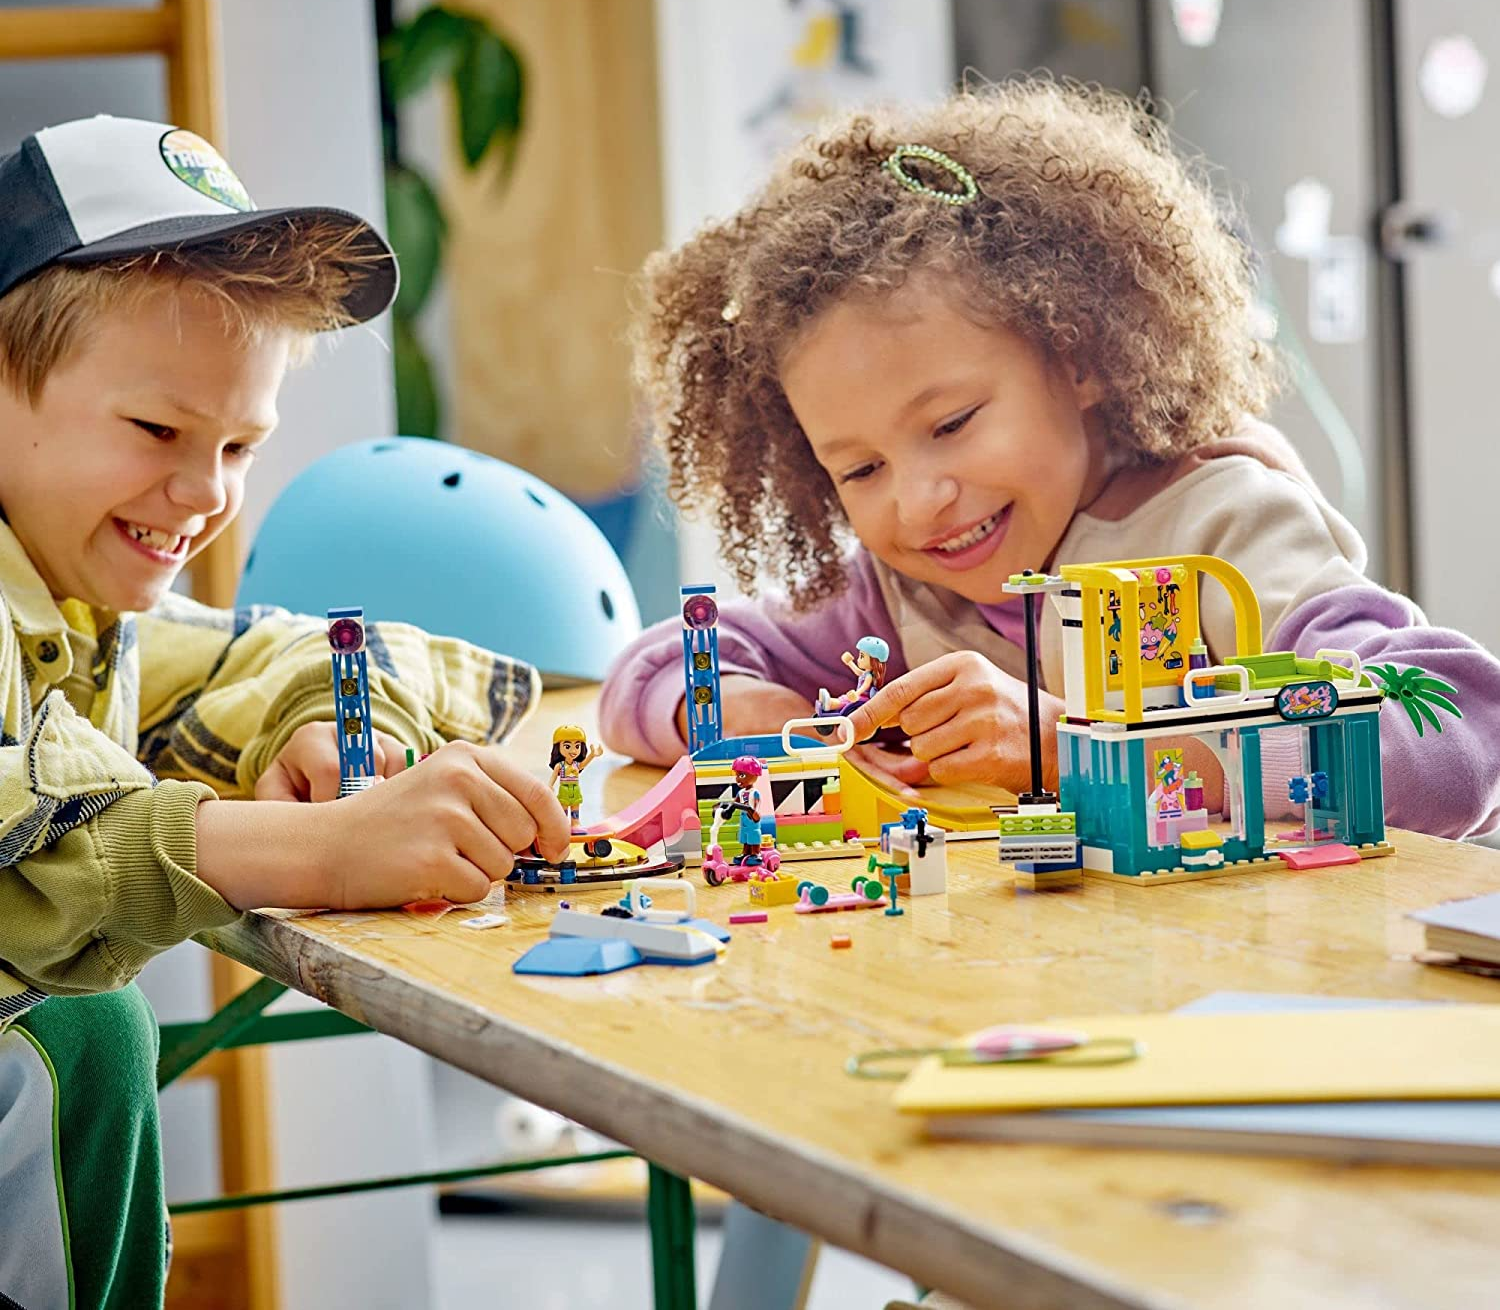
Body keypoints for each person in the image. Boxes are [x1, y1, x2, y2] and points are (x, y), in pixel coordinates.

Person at [600, 78, 1500, 840]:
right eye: (860, 470)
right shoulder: (898, 593)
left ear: (1077, 360)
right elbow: (654, 668)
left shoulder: (1227, 528)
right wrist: (762, 718)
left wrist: (1070, 751)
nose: (919, 503)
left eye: (951, 423)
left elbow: (1452, 736)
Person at [0, 115, 570, 1310]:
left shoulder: (73, 609)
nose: (204, 494)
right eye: (158, 432)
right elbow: (19, 844)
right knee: (73, 1036)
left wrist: (323, 722)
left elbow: (268, 652)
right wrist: (321, 848)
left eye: (241, 445)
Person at [548, 724, 603, 825]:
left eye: (577, 746)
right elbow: (554, 776)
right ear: (558, 747)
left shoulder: (576, 765)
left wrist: (592, 755)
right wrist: (550, 785)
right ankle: (562, 824)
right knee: (563, 807)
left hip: (575, 789)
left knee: (575, 806)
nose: (573, 751)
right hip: (564, 789)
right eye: (567, 746)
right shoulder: (560, 766)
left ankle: (575, 823)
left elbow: (584, 764)